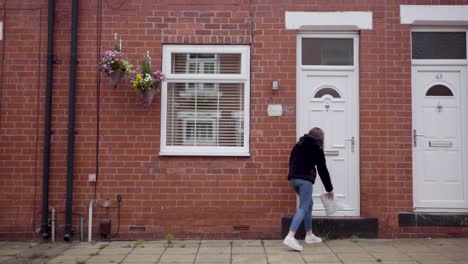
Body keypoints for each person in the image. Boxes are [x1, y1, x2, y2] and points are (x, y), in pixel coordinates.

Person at [283, 127, 334, 251]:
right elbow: (322, 169)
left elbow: (291, 161)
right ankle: (290, 237)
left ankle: (309, 234)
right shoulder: (316, 147)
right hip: (305, 180)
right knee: (303, 207)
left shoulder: (299, 144)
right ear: (320, 138)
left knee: (309, 203)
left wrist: (293, 175)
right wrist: (329, 188)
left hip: (294, 179)